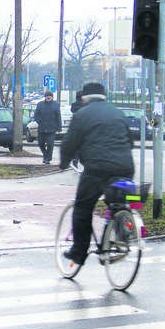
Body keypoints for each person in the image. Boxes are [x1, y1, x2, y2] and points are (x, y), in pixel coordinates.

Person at [59, 82, 134, 265]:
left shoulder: (82, 115)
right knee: (116, 201)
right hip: (125, 167)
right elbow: (130, 142)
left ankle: (78, 252)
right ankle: (121, 233)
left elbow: (70, 143)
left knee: (82, 208)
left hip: (97, 170)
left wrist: (64, 162)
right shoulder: (118, 113)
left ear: (84, 98)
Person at [33, 90, 62, 164]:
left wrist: (59, 127)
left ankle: (48, 159)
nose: (48, 97)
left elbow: (58, 116)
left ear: (52, 97)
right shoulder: (40, 104)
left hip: (52, 128)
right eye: (47, 96)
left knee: (50, 144)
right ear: (45, 97)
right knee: (40, 143)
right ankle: (45, 155)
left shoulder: (56, 105)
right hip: (42, 128)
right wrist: (39, 121)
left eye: (50, 96)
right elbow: (36, 115)